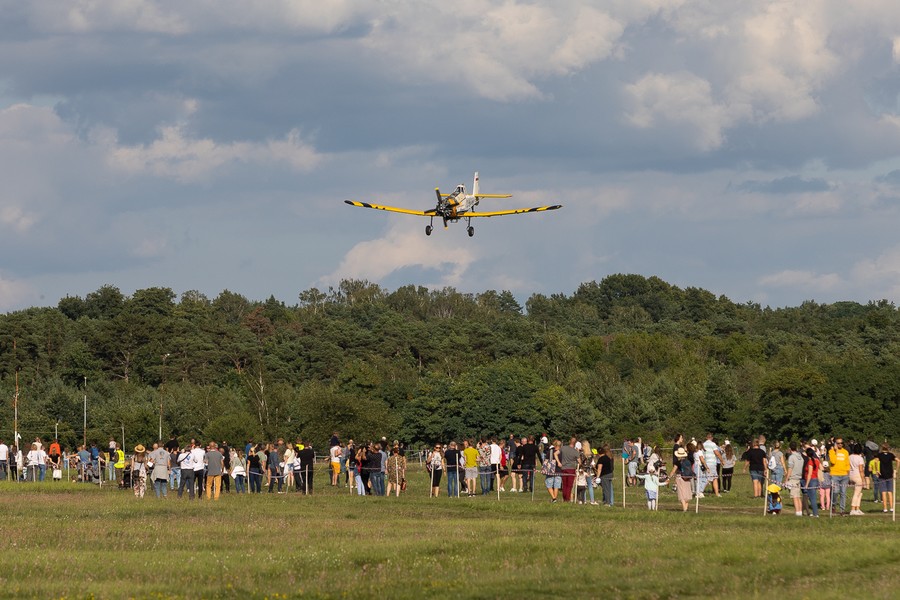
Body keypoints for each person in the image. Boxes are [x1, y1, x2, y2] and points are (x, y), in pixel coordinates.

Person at [828, 437, 851, 516]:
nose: (840, 444)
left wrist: (848, 474)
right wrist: (835, 451)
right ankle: (833, 505)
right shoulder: (831, 452)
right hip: (835, 475)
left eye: (841, 443)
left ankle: (842, 510)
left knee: (843, 493)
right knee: (835, 491)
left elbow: (847, 463)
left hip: (844, 475)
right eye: (838, 443)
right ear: (835, 444)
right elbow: (833, 461)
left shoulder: (845, 452)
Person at [785, 442, 805, 516]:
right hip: (799, 477)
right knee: (798, 496)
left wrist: (786, 479)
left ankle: (797, 512)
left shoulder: (792, 457)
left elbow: (790, 469)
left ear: (790, 449)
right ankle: (800, 511)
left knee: (794, 496)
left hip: (793, 478)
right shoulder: (800, 456)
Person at [877, 443, 897, 513]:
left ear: (882, 448)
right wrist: (896, 470)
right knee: (890, 492)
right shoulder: (891, 455)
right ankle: (891, 508)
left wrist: (877, 470)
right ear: (888, 448)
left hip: (882, 475)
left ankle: (885, 508)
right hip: (890, 475)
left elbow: (876, 461)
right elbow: (898, 460)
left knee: (883, 492)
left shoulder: (879, 455)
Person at [558, 437, 580, 502]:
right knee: (569, 485)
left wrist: (559, 462)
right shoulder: (575, 451)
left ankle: (564, 497)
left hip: (564, 468)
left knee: (564, 484)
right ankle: (567, 499)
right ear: (575, 443)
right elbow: (579, 461)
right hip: (571, 469)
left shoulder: (563, 448)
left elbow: (555, 454)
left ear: (569, 441)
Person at [849, 443, 866, 516]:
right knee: (856, 493)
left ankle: (857, 508)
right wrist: (863, 480)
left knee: (859, 493)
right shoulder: (860, 458)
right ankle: (853, 509)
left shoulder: (849, 457)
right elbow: (861, 470)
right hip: (857, 476)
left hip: (850, 475)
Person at [803, 447, 821, 517]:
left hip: (811, 480)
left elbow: (809, 474)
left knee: (812, 498)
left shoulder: (810, 462)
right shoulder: (817, 460)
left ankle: (815, 513)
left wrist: (806, 484)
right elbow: (821, 468)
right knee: (812, 497)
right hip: (816, 479)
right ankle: (815, 512)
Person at [674, 447, 693, 511]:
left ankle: (684, 508)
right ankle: (686, 507)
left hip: (680, 478)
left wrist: (669, 477)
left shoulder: (677, 463)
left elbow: (673, 471)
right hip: (687, 478)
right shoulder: (688, 462)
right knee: (687, 493)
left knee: (681, 493)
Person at [579, 441, 598, 505]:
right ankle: (592, 500)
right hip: (589, 471)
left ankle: (583, 500)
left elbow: (580, 462)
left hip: (583, 471)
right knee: (590, 486)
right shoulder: (591, 455)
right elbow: (593, 463)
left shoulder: (581, 454)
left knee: (583, 485)